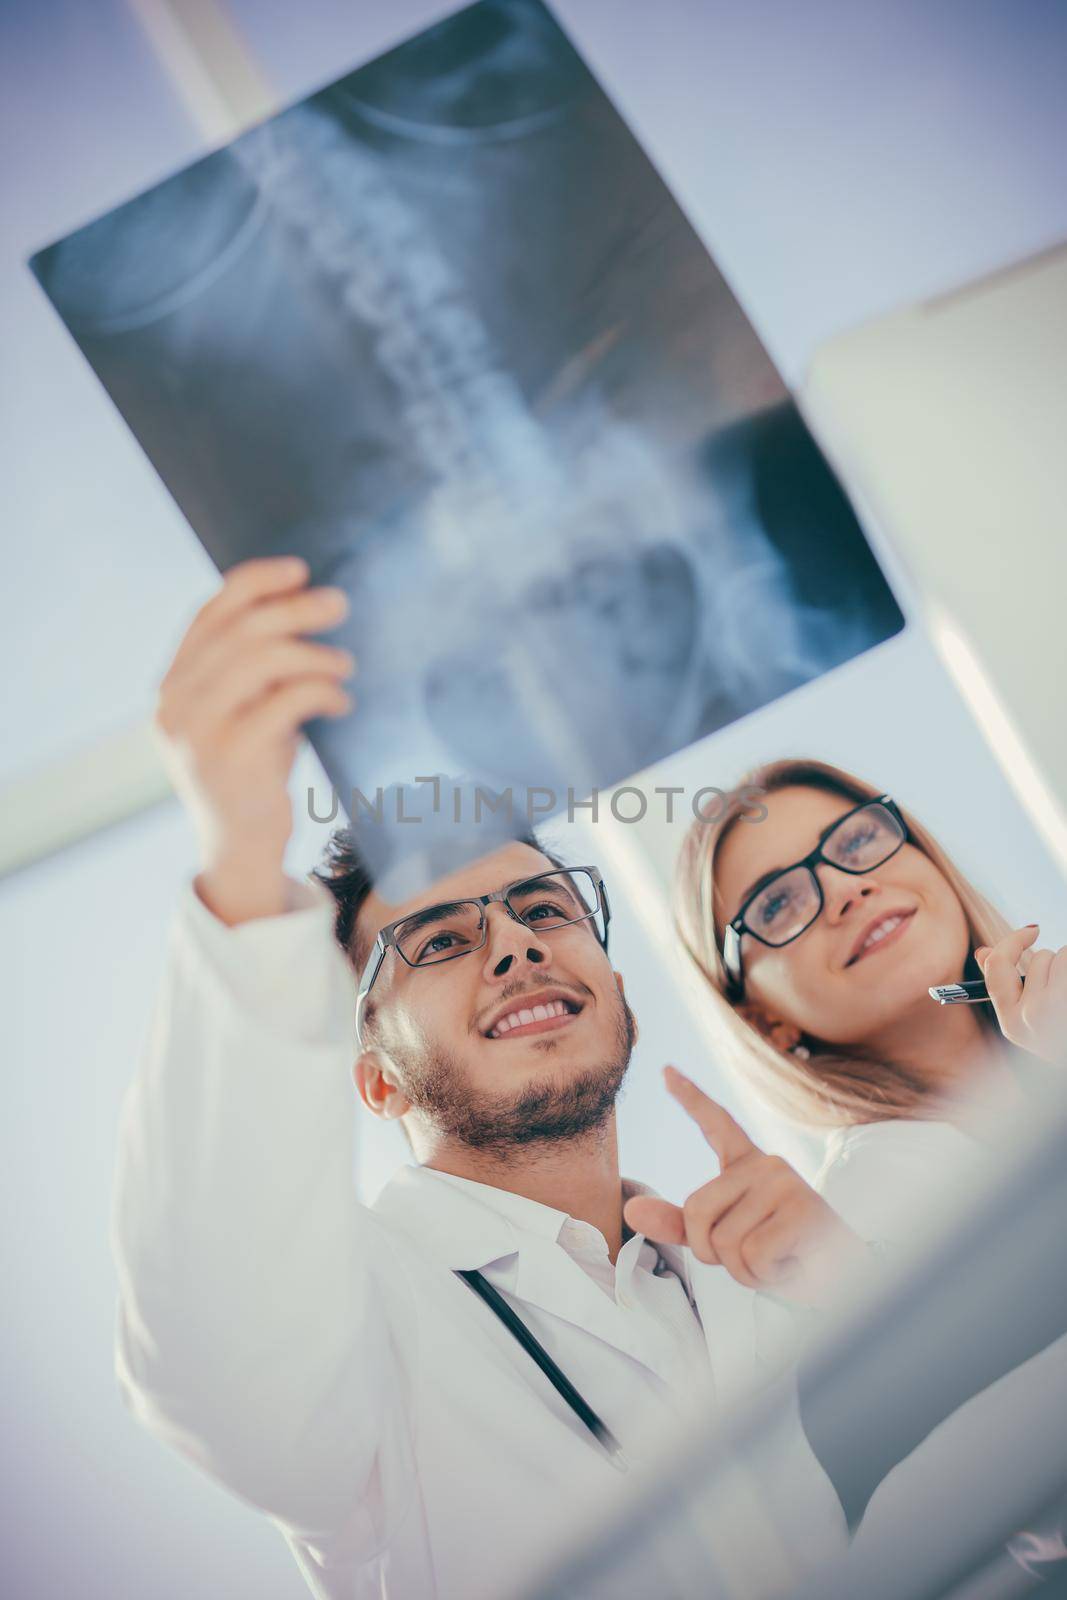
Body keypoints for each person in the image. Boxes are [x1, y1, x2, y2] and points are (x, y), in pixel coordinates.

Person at [113, 559, 871, 1600]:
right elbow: (222, 1381)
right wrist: (242, 858)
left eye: (545, 909)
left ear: (620, 1000)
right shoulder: (357, 1324)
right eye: (435, 939)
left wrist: (859, 1296)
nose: (514, 944)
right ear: (375, 1083)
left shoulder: (758, 1269)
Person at [672, 754, 1067, 1583]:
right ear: (765, 1018)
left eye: (856, 840)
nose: (844, 888)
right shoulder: (854, 1226)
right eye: (777, 901)